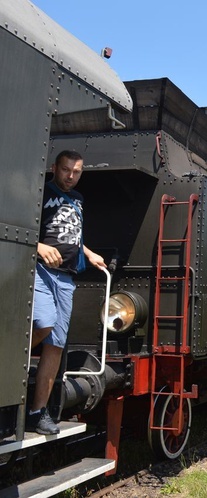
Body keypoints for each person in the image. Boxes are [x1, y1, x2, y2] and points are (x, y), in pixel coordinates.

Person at [28, 150, 106, 435]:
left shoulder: (78, 200)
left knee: (56, 346)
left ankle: (37, 413)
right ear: (54, 168)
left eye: (76, 172)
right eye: (65, 170)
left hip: (67, 279)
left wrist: (89, 253)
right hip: (41, 271)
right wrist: (38, 246)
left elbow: (72, 236)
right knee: (43, 323)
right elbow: (20, 225)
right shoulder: (41, 190)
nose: (70, 176)